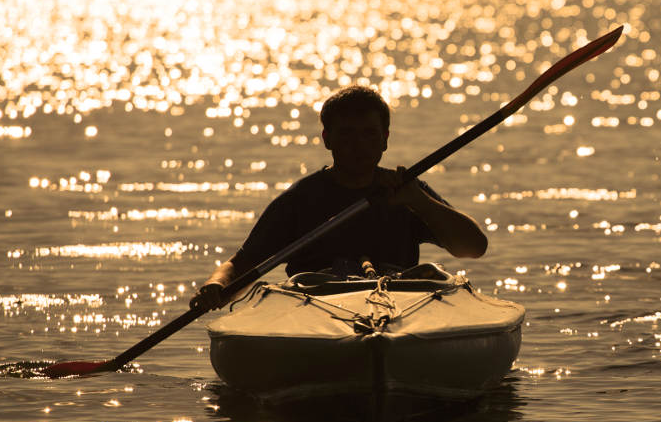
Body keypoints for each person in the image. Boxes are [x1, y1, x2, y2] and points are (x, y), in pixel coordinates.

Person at [189, 85, 488, 311]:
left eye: (369, 134)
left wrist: (419, 202)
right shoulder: (300, 200)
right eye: (346, 135)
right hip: (316, 308)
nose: (358, 145)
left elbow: (474, 247)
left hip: (397, 308)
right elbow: (240, 264)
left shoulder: (407, 191)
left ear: (385, 138)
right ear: (327, 139)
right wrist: (216, 285)